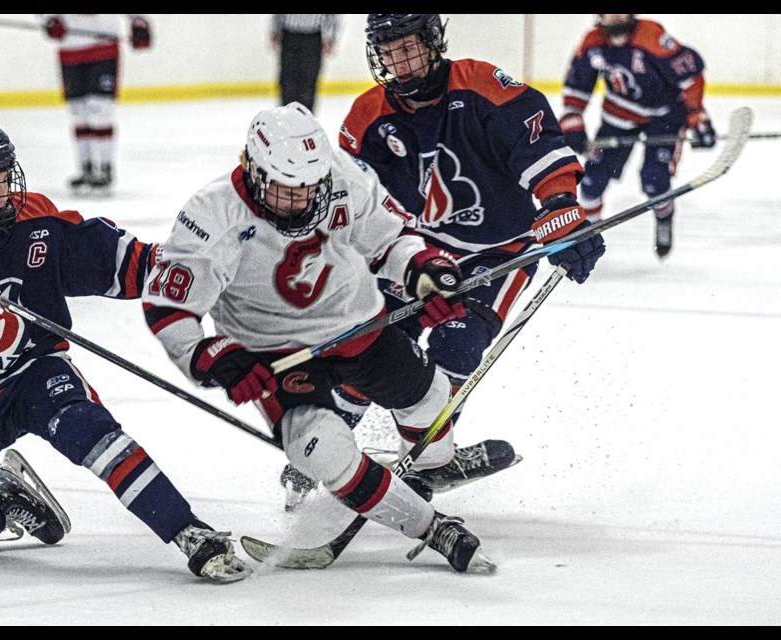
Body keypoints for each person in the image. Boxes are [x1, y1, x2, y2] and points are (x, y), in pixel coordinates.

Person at [0, 116, 250, 583]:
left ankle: (189, 532)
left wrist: (207, 269)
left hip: (32, 375)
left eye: (5, 179)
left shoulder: (36, 220)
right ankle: (3, 502)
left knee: (92, 433)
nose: (1, 194)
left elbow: (125, 262)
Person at [143, 102, 522, 574]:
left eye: (310, 188)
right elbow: (169, 307)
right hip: (274, 352)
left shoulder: (343, 175)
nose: (302, 201)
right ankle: (432, 527)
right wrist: (210, 355)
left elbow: (390, 240)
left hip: (355, 324)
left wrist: (423, 270)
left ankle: (432, 465)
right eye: (285, 191)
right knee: (320, 446)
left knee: (432, 399)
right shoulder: (211, 215)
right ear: (253, 172)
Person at [292, 14, 604, 509]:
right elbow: (355, 204)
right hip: (421, 251)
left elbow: (537, 145)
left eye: (410, 48)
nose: (401, 61)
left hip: (498, 250)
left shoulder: (482, 86)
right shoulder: (368, 117)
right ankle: (328, 444)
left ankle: (426, 454)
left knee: (456, 346)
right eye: (389, 51)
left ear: (434, 41)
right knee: (369, 342)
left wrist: (561, 209)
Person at [558, 14, 714, 258]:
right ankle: (588, 239)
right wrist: (572, 123)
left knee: (654, 181)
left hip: (662, 118)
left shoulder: (651, 36)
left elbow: (690, 75)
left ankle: (664, 218)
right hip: (618, 117)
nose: (615, 16)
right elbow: (576, 87)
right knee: (591, 182)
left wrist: (697, 116)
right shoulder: (593, 42)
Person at [40, 14, 153, 194]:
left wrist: (138, 20)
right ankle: (86, 169)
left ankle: (105, 169)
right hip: (69, 48)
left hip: (103, 45)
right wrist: (48, 19)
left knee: (100, 110)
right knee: (78, 111)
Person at [270, 14, 339, 113]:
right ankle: (285, 114)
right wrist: (274, 33)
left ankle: (305, 117)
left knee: (309, 78)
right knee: (287, 78)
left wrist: (331, 37)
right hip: (289, 34)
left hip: (313, 36)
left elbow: (333, 15)